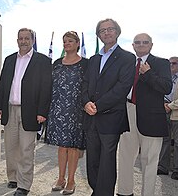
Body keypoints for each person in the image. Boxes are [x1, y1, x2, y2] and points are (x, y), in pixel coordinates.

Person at [0, 28, 52, 196]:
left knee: (26, 149)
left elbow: (46, 88)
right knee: (11, 147)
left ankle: (24, 185)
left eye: (27, 38)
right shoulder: (10, 59)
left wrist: (42, 111)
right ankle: (13, 177)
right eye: (21, 38)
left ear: (33, 40)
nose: (24, 41)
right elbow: (3, 84)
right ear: (17, 40)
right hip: (10, 109)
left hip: (31, 111)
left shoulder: (42, 61)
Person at [82, 18, 135, 196]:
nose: (106, 32)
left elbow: (122, 87)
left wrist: (98, 105)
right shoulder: (93, 59)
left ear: (117, 32)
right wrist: (86, 103)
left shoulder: (127, 57)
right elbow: (85, 84)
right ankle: (97, 190)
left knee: (107, 160)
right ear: (98, 35)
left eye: (110, 29)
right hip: (91, 116)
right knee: (93, 160)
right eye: (102, 30)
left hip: (111, 117)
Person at [117, 33, 172, 196]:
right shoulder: (127, 63)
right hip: (127, 112)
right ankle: (124, 192)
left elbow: (166, 87)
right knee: (125, 157)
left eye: (145, 42)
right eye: (137, 42)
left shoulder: (161, 63)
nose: (141, 45)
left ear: (151, 45)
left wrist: (148, 74)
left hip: (151, 118)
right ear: (132, 46)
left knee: (149, 161)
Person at [46, 31, 88, 195]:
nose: (67, 44)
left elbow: (89, 86)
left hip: (76, 110)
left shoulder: (86, 63)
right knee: (61, 146)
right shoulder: (56, 63)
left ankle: (71, 181)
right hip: (57, 108)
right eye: (64, 41)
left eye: (70, 41)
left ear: (77, 43)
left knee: (73, 146)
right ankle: (60, 178)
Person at [160, 57, 178, 180]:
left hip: (175, 113)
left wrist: (170, 106)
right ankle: (163, 167)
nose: (171, 65)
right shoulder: (165, 77)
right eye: (169, 63)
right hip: (163, 110)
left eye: (174, 63)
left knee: (177, 142)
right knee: (164, 140)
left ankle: (176, 170)